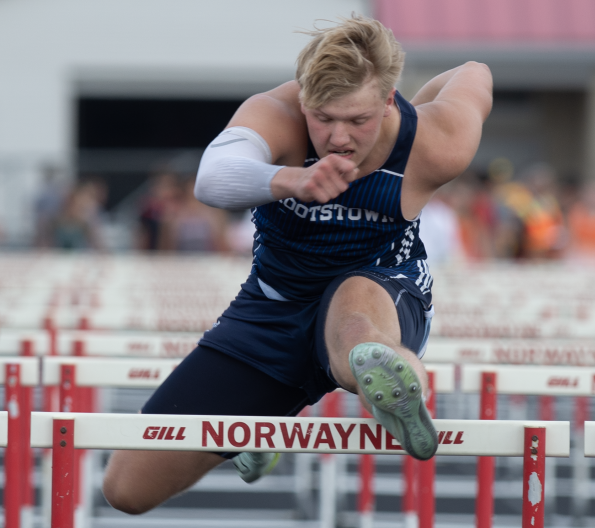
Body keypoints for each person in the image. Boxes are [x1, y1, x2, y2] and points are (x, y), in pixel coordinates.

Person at [103, 15, 492, 514]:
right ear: (304, 100)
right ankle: (269, 415)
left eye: (358, 120)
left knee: (354, 322)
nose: (338, 138)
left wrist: (422, 99)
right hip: (273, 307)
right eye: (323, 118)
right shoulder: (277, 112)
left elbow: (474, 70)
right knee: (127, 489)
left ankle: (399, 385)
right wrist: (289, 180)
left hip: (380, 290)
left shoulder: (436, 142)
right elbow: (212, 177)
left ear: (389, 99)